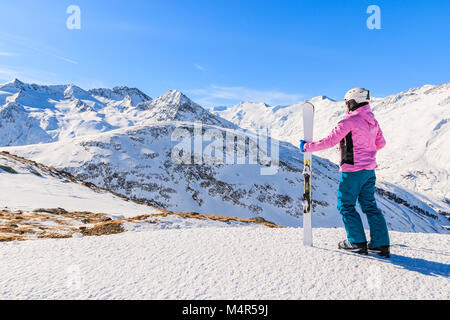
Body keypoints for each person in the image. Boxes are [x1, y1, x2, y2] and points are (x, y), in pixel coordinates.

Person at [300, 88, 390, 258]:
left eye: (347, 103)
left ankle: (356, 242)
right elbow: (381, 143)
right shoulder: (373, 121)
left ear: (353, 102)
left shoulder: (349, 121)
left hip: (352, 171)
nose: (346, 106)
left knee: (346, 205)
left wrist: (306, 147)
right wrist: (366, 152)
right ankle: (380, 245)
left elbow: (330, 141)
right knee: (370, 206)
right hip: (369, 171)